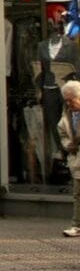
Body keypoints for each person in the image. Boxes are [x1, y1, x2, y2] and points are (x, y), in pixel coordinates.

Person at [58, 80, 80, 237]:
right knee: (78, 193)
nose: (68, 103)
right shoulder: (67, 116)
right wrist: (68, 145)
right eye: (66, 99)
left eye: (71, 99)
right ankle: (77, 225)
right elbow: (63, 134)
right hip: (77, 159)